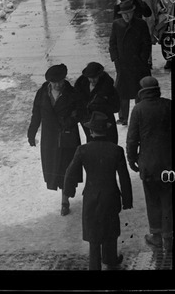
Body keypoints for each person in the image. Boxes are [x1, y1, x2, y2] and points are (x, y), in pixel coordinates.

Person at [62, 112, 134, 271]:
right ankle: (110, 258)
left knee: (93, 233)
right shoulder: (116, 150)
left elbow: (69, 172)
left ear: (91, 132)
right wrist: (127, 200)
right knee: (111, 229)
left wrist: (67, 193)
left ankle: (94, 266)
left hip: (91, 195)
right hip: (111, 195)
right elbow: (124, 177)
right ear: (106, 131)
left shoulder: (83, 150)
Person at [27, 64, 84, 216]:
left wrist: (70, 121)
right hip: (50, 138)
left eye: (60, 81)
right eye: (55, 83)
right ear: (49, 82)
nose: (58, 85)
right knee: (54, 168)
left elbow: (80, 112)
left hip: (67, 136)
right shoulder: (42, 94)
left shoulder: (72, 93)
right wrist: (31, 133)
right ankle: (63, 194)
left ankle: (65, 201)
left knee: (67, 167)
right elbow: (36, 114)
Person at [126, 76, 173, 252]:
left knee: (152, 199)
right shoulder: (169, 105)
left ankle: (156, 236)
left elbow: (132, 139)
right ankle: (169, 238)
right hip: (169, 163)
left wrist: (132, 159)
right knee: (168, 198)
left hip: (148, 164)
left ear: (142, 91)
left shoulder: (138, 109)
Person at [109, 0, 152, 125]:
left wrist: (143, 59)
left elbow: (146, 43)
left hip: (139, 64)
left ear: (133, 12)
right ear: (121, 14)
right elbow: (112, 44)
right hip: (123, 64)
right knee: (123, 93)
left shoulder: (141, 24)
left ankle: (140, 116)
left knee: (140, 91)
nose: (127, 16)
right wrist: (116, 59)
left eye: (129, 13)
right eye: (124, 14)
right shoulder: (116, 24)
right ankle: (123, 118)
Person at [74, 63, 120, 144]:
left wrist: (100, 106)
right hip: (89, 123)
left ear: (100, 75)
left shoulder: (108, 88)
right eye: (90, 78)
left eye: (95, 77)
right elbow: (78, 104)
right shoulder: (80, 87)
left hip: (105, 123)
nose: (92, 80)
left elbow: (116, 107)